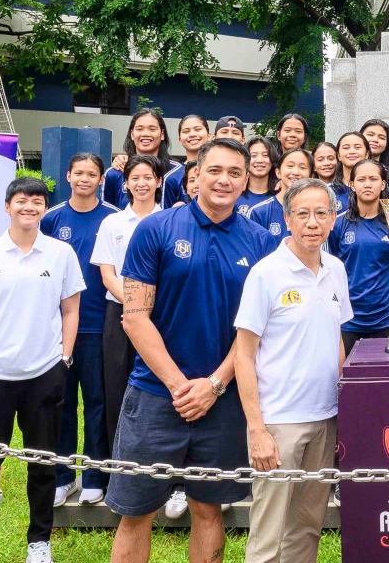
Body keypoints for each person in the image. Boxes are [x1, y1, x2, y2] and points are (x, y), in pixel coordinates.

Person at [107, 139, 278, 563]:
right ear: (195, 174)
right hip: (154, 395)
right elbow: (134, 317)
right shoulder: (157, 229)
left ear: (246, 181)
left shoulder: (260, 242)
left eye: (235, 173)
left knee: (208, 508)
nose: (224, 180)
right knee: (136, 513)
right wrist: (181, 386)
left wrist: (215, 385)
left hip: (221, 401)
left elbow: (254, 329)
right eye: (215, 170)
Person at [0, 177, 84, 563]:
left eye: (37, 202)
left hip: (43, 374)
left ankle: (38, 542)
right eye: (22, 201)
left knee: (43, 465)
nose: (29, 207)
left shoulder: (60, 253)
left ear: (45, 208)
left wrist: (64, 356)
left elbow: (71, 308)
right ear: (8, 206)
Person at [234, 179, 351, 563]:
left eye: (321, 213)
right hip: (279, 423)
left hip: (325, 418)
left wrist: (344, 406)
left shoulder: (335, 269)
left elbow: (336, 340)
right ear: (287, 219)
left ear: (333, 219)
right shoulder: (266, 274)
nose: (312, 222)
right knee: (269, 535)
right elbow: (244, 355)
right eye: (302, 213)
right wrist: (257, 430)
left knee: (306, 528)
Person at [40, 154, 119, 509]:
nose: (85, 179)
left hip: (99, 326)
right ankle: (62, 476)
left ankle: (94, 476)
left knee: (98, 404)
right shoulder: (52, 218)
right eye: (79, 173)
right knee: (61, 403)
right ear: (68, 175)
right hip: (59, 328)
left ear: (102, 179)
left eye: (92, 174)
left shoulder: (113, 219)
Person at [91, 155, 162, 469]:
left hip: (163, 316)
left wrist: (148, 310)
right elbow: (107, 275)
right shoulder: (112, 223)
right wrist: (136, 308)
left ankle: (164, 470)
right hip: (118, 315)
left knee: (162, 386)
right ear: (126, 184)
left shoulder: (170, 220)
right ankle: (118, 468)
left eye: (148, 177)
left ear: (158, 182)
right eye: (135, 178)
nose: (142, 183)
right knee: (116, 389)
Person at [329, 159, 389, 355]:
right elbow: (332, 269)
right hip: (348, 320)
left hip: (386, 318)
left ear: (383, 184)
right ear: (352, 185)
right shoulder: (337, 224)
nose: (368, 184)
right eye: (361, 179)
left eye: (373, 178)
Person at [105, 109, 181, 210]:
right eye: (139, 129)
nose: (145, 134)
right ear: (132, 134)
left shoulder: (178, 172)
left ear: (162, 134)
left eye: (152, 129)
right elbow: (107, 211)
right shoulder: (115, 172)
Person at [249, 149, 316, 240]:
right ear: (278, 173)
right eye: (290, 166)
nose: (295, 172)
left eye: (302, 167)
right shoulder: (259, 212)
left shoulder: (317, 212)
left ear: (311, 176)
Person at [165, 115, 210, 206]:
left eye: (197, 129)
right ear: (180, 140)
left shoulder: (220, 170)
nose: (192, 134)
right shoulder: (172, 177)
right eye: (186, 131)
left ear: (209, 136)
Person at [237, 137, 276, 218]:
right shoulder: (235, 194)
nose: (259, 160)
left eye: (265, 155)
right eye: (253, 155)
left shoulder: (280, 195)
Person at [312, 141, 350, 213]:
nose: (326, 163)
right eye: (320, 160)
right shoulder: (308, 191)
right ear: (313, 166)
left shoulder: (348, 189)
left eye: (331, 158)